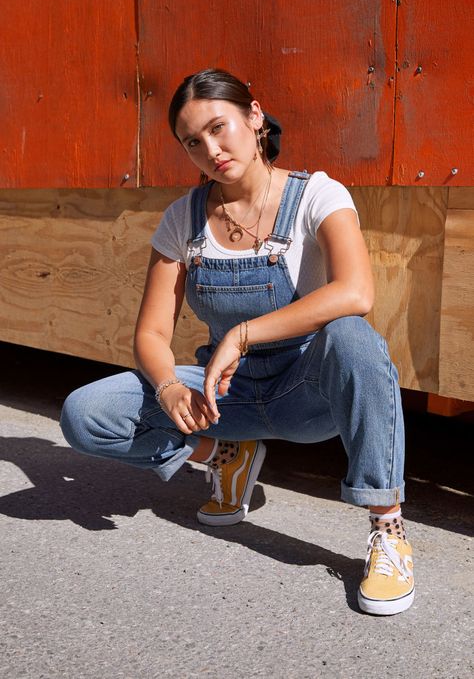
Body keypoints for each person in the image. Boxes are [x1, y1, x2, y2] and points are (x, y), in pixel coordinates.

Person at [60, 68, 414, 615]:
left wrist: (244, 334)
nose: (211, 150)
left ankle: (387, 530)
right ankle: (224, 453)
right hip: (225, 397)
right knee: (86, 412)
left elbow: (356, 290)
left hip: (306, 391)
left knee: (354, 338)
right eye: (193, 142)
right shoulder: (183, 218)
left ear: (254, 117)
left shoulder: (318, 194)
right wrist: (168, 390)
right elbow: (152, 332)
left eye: (219, 128)